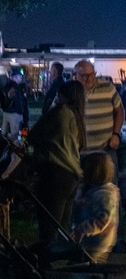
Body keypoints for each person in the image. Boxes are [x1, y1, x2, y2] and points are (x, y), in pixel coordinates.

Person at [27, 79, 85, 238]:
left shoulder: (61, 112)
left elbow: (33, 135)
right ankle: (63, 258)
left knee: (48, 226)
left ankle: (46, 260)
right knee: (62, 227)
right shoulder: (77, 115)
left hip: (55, 173)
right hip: (72, 175)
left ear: (61, 96)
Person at [72, 59, 124, 173]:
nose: (90, 78)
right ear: (75, 75)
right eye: (84, 75)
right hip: (78, 152)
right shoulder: (69, 91)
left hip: (105, 149)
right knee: (80, 188)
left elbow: (120, 111)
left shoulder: (107, 87)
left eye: (92, 74)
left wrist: (116, 134)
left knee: (109, 186)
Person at [71, 151, 120, 262]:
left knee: (91, 268)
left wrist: (82, 229)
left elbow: (102, 219)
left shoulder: (104, 194)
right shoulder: (94, 190)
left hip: (97, 243)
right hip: (90, 241)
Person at [2, 68, 29, 141]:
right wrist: (20, 112)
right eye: (20, 76)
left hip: (6, 112)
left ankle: (7, 147)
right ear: (15, 77)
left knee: (5, 134)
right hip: (15, 114)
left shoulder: (6, 85)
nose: (21, 77)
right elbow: (19, 102)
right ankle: (16, 149)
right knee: (16, 136)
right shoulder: (15, 87)